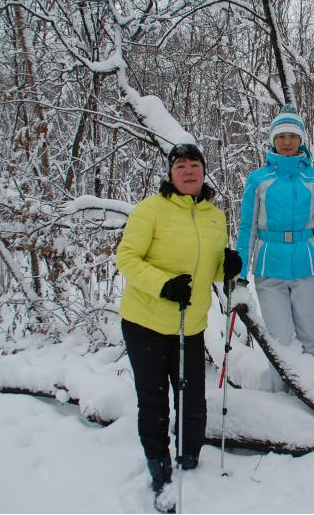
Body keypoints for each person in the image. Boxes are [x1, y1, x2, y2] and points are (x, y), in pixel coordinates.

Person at [116, 143, 242, 511]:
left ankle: (190, 458)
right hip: (146, 322)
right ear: (170, 173)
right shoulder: (150, 210)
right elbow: (127, 258)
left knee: (191, 397)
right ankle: (159, 467)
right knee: (154, 398)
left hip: (191, 324)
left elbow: (212, 269)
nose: (189, 171)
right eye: (181, 166)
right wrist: (164, 284)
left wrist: (228, 267)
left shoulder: (214, 217)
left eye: (195, 165)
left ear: (204, 171)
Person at [236, 105, 314, 390]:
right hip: (269, 265)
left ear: (301, 140)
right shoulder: (258, 179)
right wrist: (239, 270)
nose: (286, 141)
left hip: (308, 266)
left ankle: (312, 398)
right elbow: (247, 228)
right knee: (279, 339)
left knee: (309, 337)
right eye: (281, 136)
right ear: (272, 139)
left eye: (292, 136)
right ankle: (283, 400)